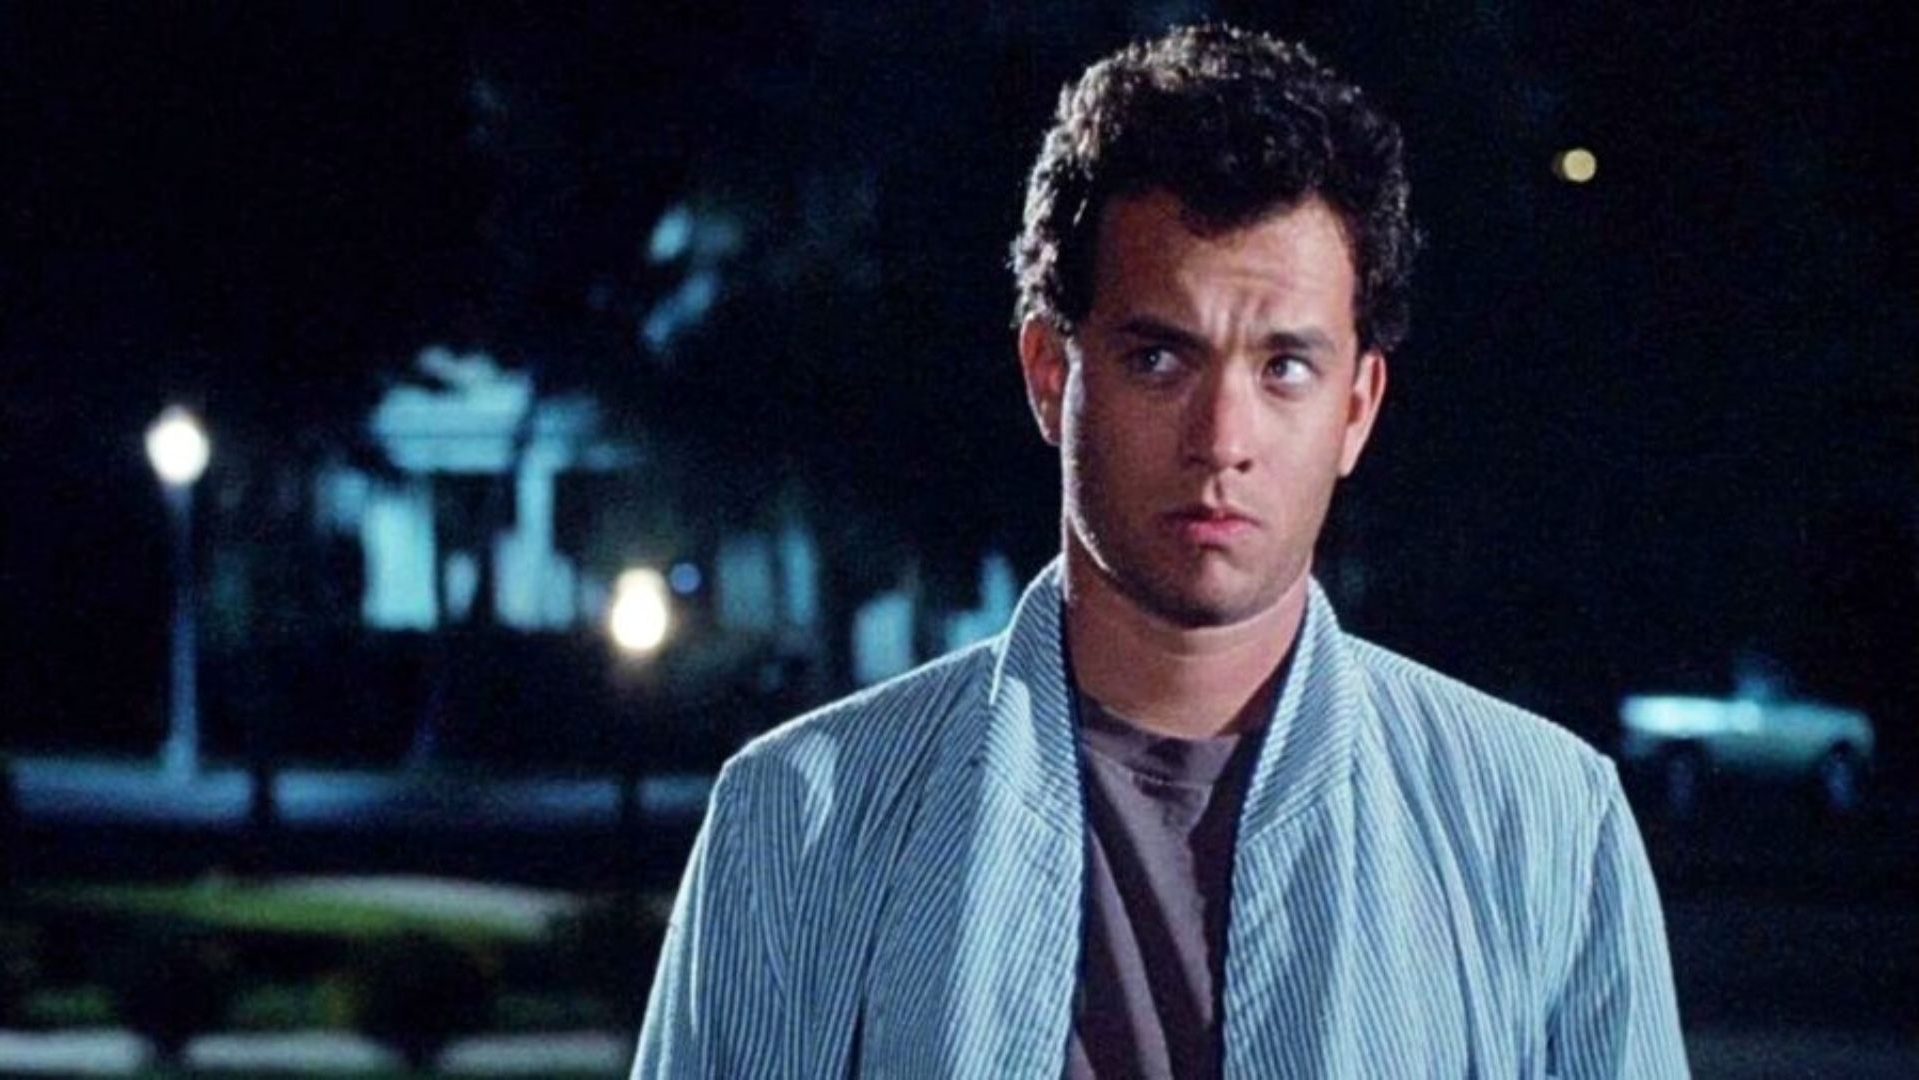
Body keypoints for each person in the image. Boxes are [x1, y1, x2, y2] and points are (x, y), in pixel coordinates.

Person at [632, 23, 1687, 1079]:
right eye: (1158, 358)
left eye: (1284, 368)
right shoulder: (800, 821)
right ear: (1051, 372)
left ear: (1358, 408)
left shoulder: (1544, 826)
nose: (1222, 439)